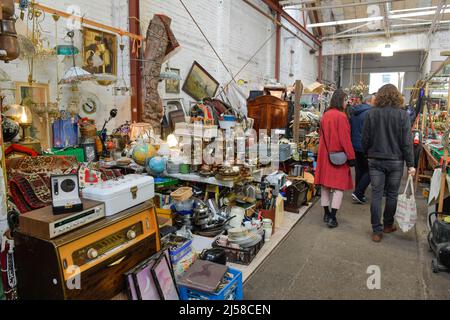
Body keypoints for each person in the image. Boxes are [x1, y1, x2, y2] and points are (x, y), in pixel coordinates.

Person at [361, 84, 415, 243]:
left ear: (380, 96)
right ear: (397, 96)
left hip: (375, 159)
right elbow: (407, 142)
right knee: (392, 194)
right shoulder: (403, 115)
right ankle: (388, 225)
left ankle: (376, 231)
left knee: (376, 194)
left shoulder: (372, 114)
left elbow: (365, 138)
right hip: (396, 161)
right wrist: (411, 164)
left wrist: (367, 154)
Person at [315, 89, 356, 228]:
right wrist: (351, 156)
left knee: (325, 186)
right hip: (338, 155)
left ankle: (326, 213)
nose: (347, 103)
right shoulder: (342, 116)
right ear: (341, 101)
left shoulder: (325, 115)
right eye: (345, 100)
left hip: (324, 155)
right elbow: (345, 139)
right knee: (338, 187)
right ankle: (333, 217)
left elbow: (321, 134)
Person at [350, 94, 374, 204]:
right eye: (374, 100)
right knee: (371, 170)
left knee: (359, 170)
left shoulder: (355, 111)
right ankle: (359, 192)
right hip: (365, 146)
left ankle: (358, 193)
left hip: (355, 145)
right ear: (369, 101)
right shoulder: (370, 113)